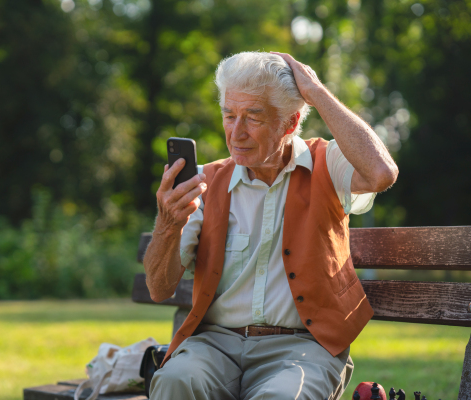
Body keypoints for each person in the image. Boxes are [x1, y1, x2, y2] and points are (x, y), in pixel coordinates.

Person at [143, 51, 398, 400]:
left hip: (302, 348)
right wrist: (168, 224)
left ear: (290, 124)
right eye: (229, 115)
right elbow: (159, 288)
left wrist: (317, 92)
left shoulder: (327, 163)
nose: (237, 132)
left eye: (253, 118)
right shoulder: (206, 183)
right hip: (216, 344)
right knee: (174, 382)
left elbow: (381, 173)